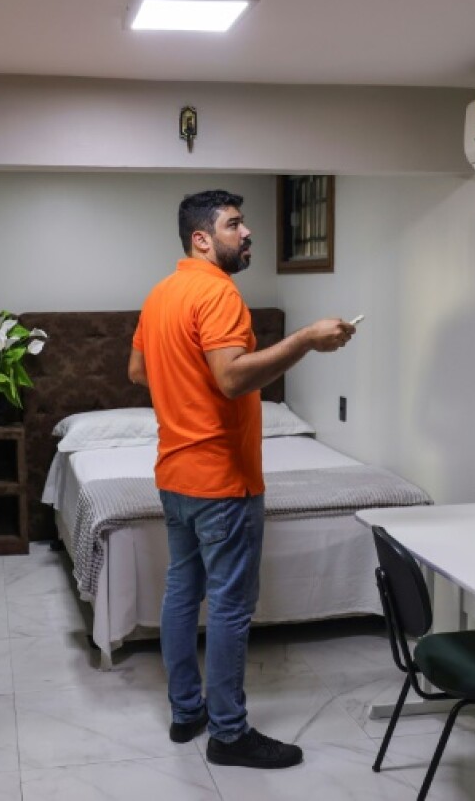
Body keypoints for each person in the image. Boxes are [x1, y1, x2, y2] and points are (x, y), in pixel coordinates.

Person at [128, 189, 355, 769]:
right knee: (229, 606)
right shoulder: (218, 291)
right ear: (201, 239)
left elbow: (137, 370)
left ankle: (187, 714)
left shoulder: (161, 294)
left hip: (173, 473)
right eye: (234, 225)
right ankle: (228, 733)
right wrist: (303, 339)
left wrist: (183, 396)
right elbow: (231, 379)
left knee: (183, 591)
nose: (247, 232)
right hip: (221, 479)